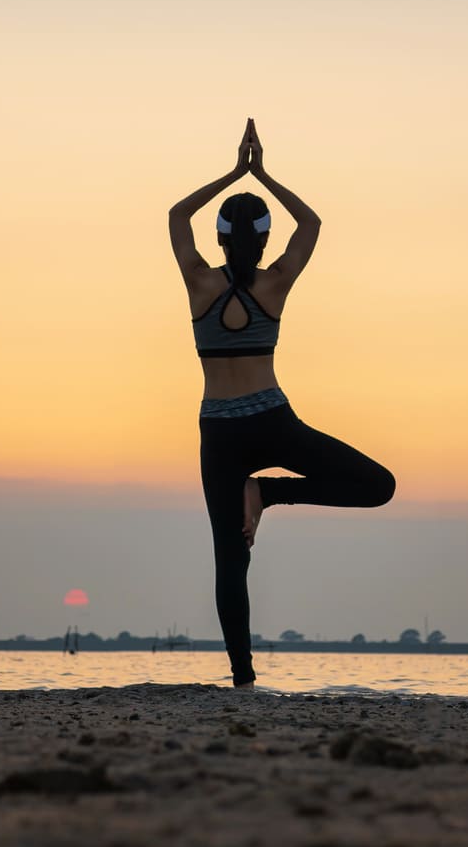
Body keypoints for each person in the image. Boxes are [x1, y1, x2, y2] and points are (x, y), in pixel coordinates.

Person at [168, 119, 396, 688]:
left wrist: (232, 172)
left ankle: (243, 680)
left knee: (230, 560)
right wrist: (262, 174)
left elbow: (176, 217)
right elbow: (311, 224)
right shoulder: (274, 284)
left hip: (219, 431)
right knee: (377, 486)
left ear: (220, 237)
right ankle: (270, 492)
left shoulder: (199, 282)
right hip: (273, 421)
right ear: (264, 240)